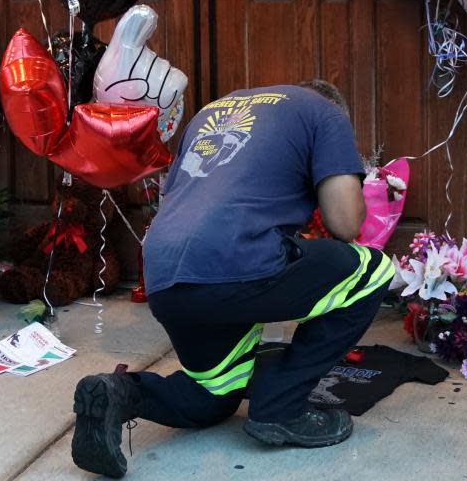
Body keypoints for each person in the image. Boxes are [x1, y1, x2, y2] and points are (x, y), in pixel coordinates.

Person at [70, 80, 394, 478]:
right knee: (373, 268)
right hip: (236, 264)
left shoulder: (213, 111)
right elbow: (345, 222)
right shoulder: (326, 113)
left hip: (165, 275)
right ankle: (282, 406)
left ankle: (119, 393)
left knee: (214, 394)